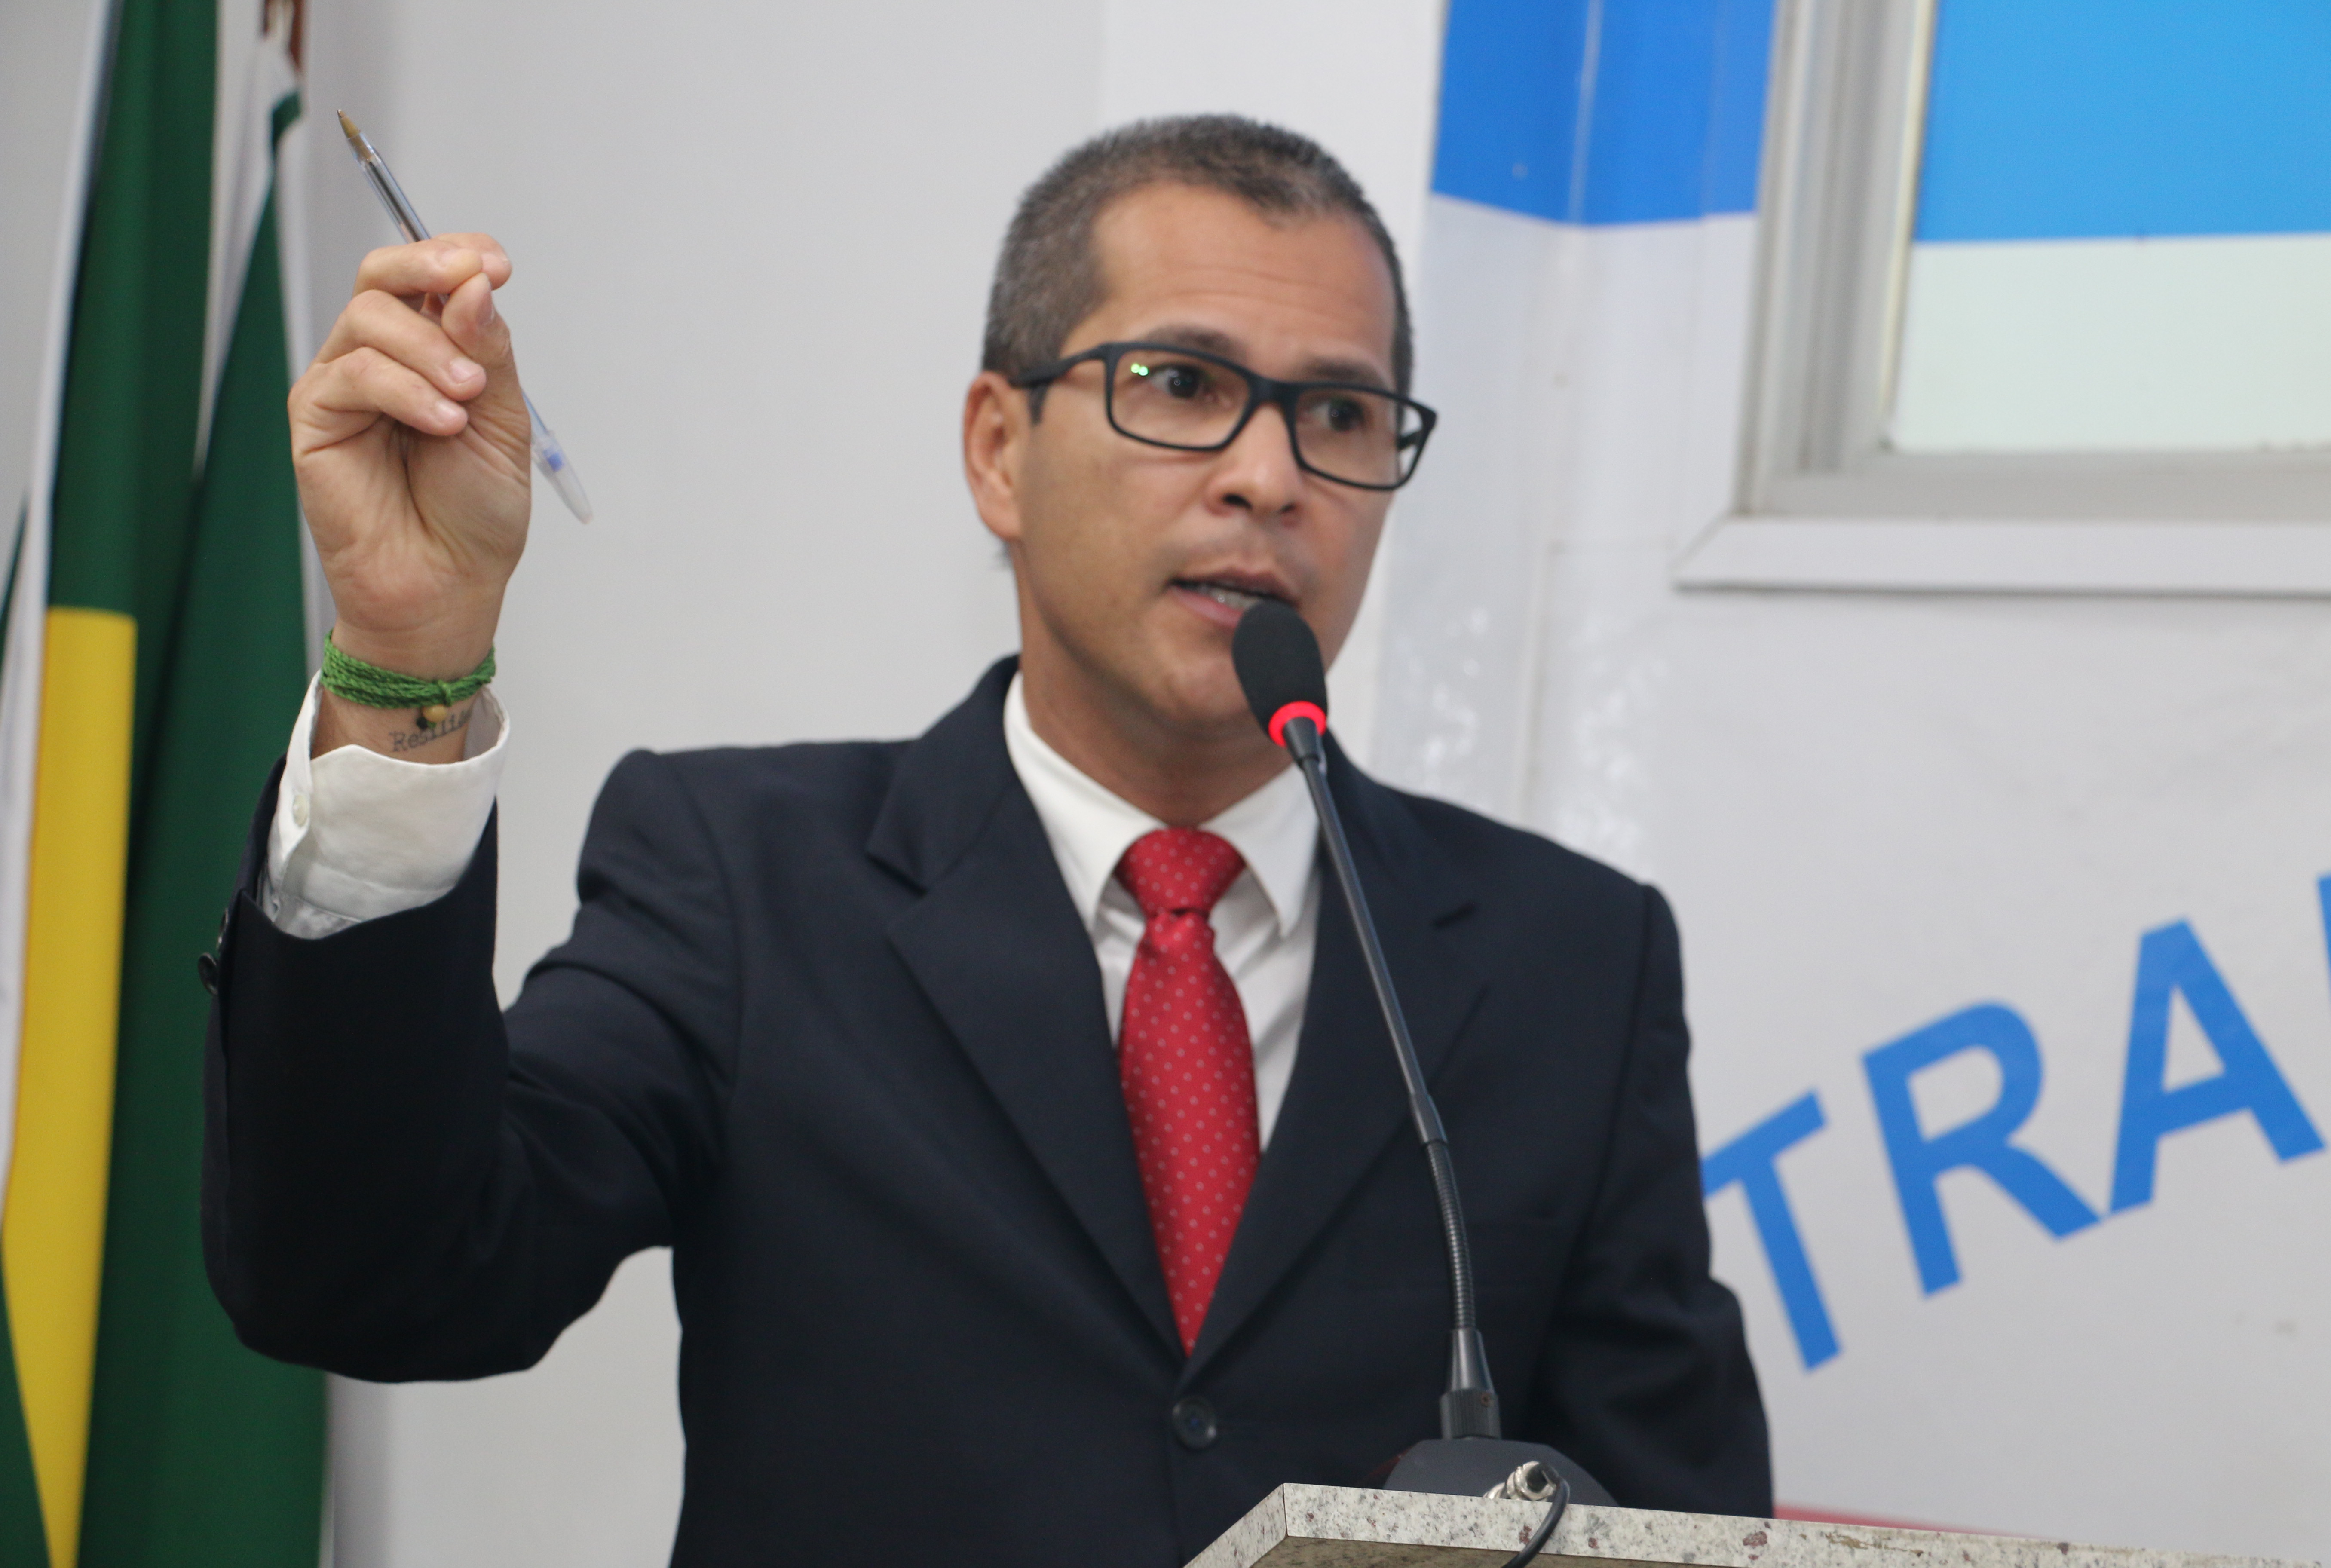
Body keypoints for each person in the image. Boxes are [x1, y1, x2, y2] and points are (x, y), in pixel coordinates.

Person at [204, 116, 1769, 1566]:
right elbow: (379, 1276)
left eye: (1342, 415)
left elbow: (1681, 1524)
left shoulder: (1574, 957)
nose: (1271, 477)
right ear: (997, 451)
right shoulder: (745, 880)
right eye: (1182, 385)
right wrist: (406, 661)